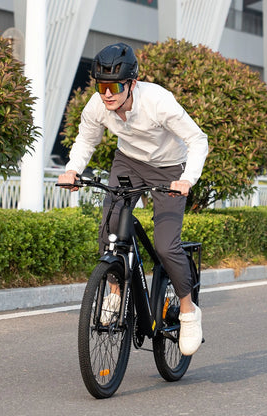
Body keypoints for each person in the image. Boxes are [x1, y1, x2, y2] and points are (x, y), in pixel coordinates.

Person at [58, 42, 209, 356]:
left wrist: (186, 180)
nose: (107, 94)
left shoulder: (158, 102)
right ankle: (114, 291)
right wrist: (73, 170)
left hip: (169, 168)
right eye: (102, 86)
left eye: (114, 86)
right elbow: (86, 137)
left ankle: (188, 310)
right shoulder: (98, 105)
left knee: (167, 246)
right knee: (111, 228)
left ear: (132, 84)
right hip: (128, 162)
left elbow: (197, 139)